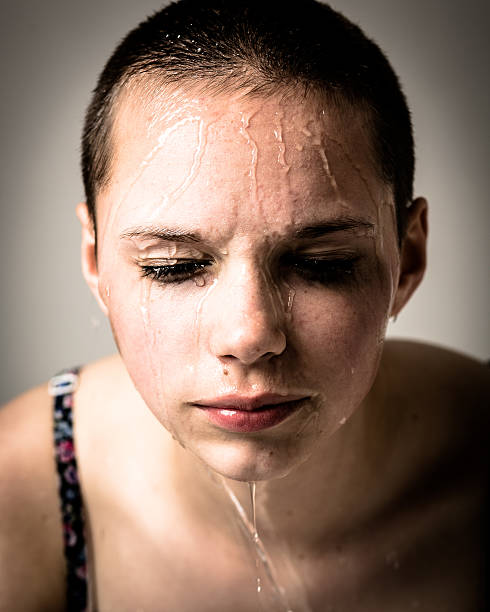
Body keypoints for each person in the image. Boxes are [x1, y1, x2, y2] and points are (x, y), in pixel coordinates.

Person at [0, 1, 488, 610]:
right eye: (173, 267)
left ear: (407, 259)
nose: (249, 333)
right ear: (96, 261)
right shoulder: (15, 502)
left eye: (322, 264)